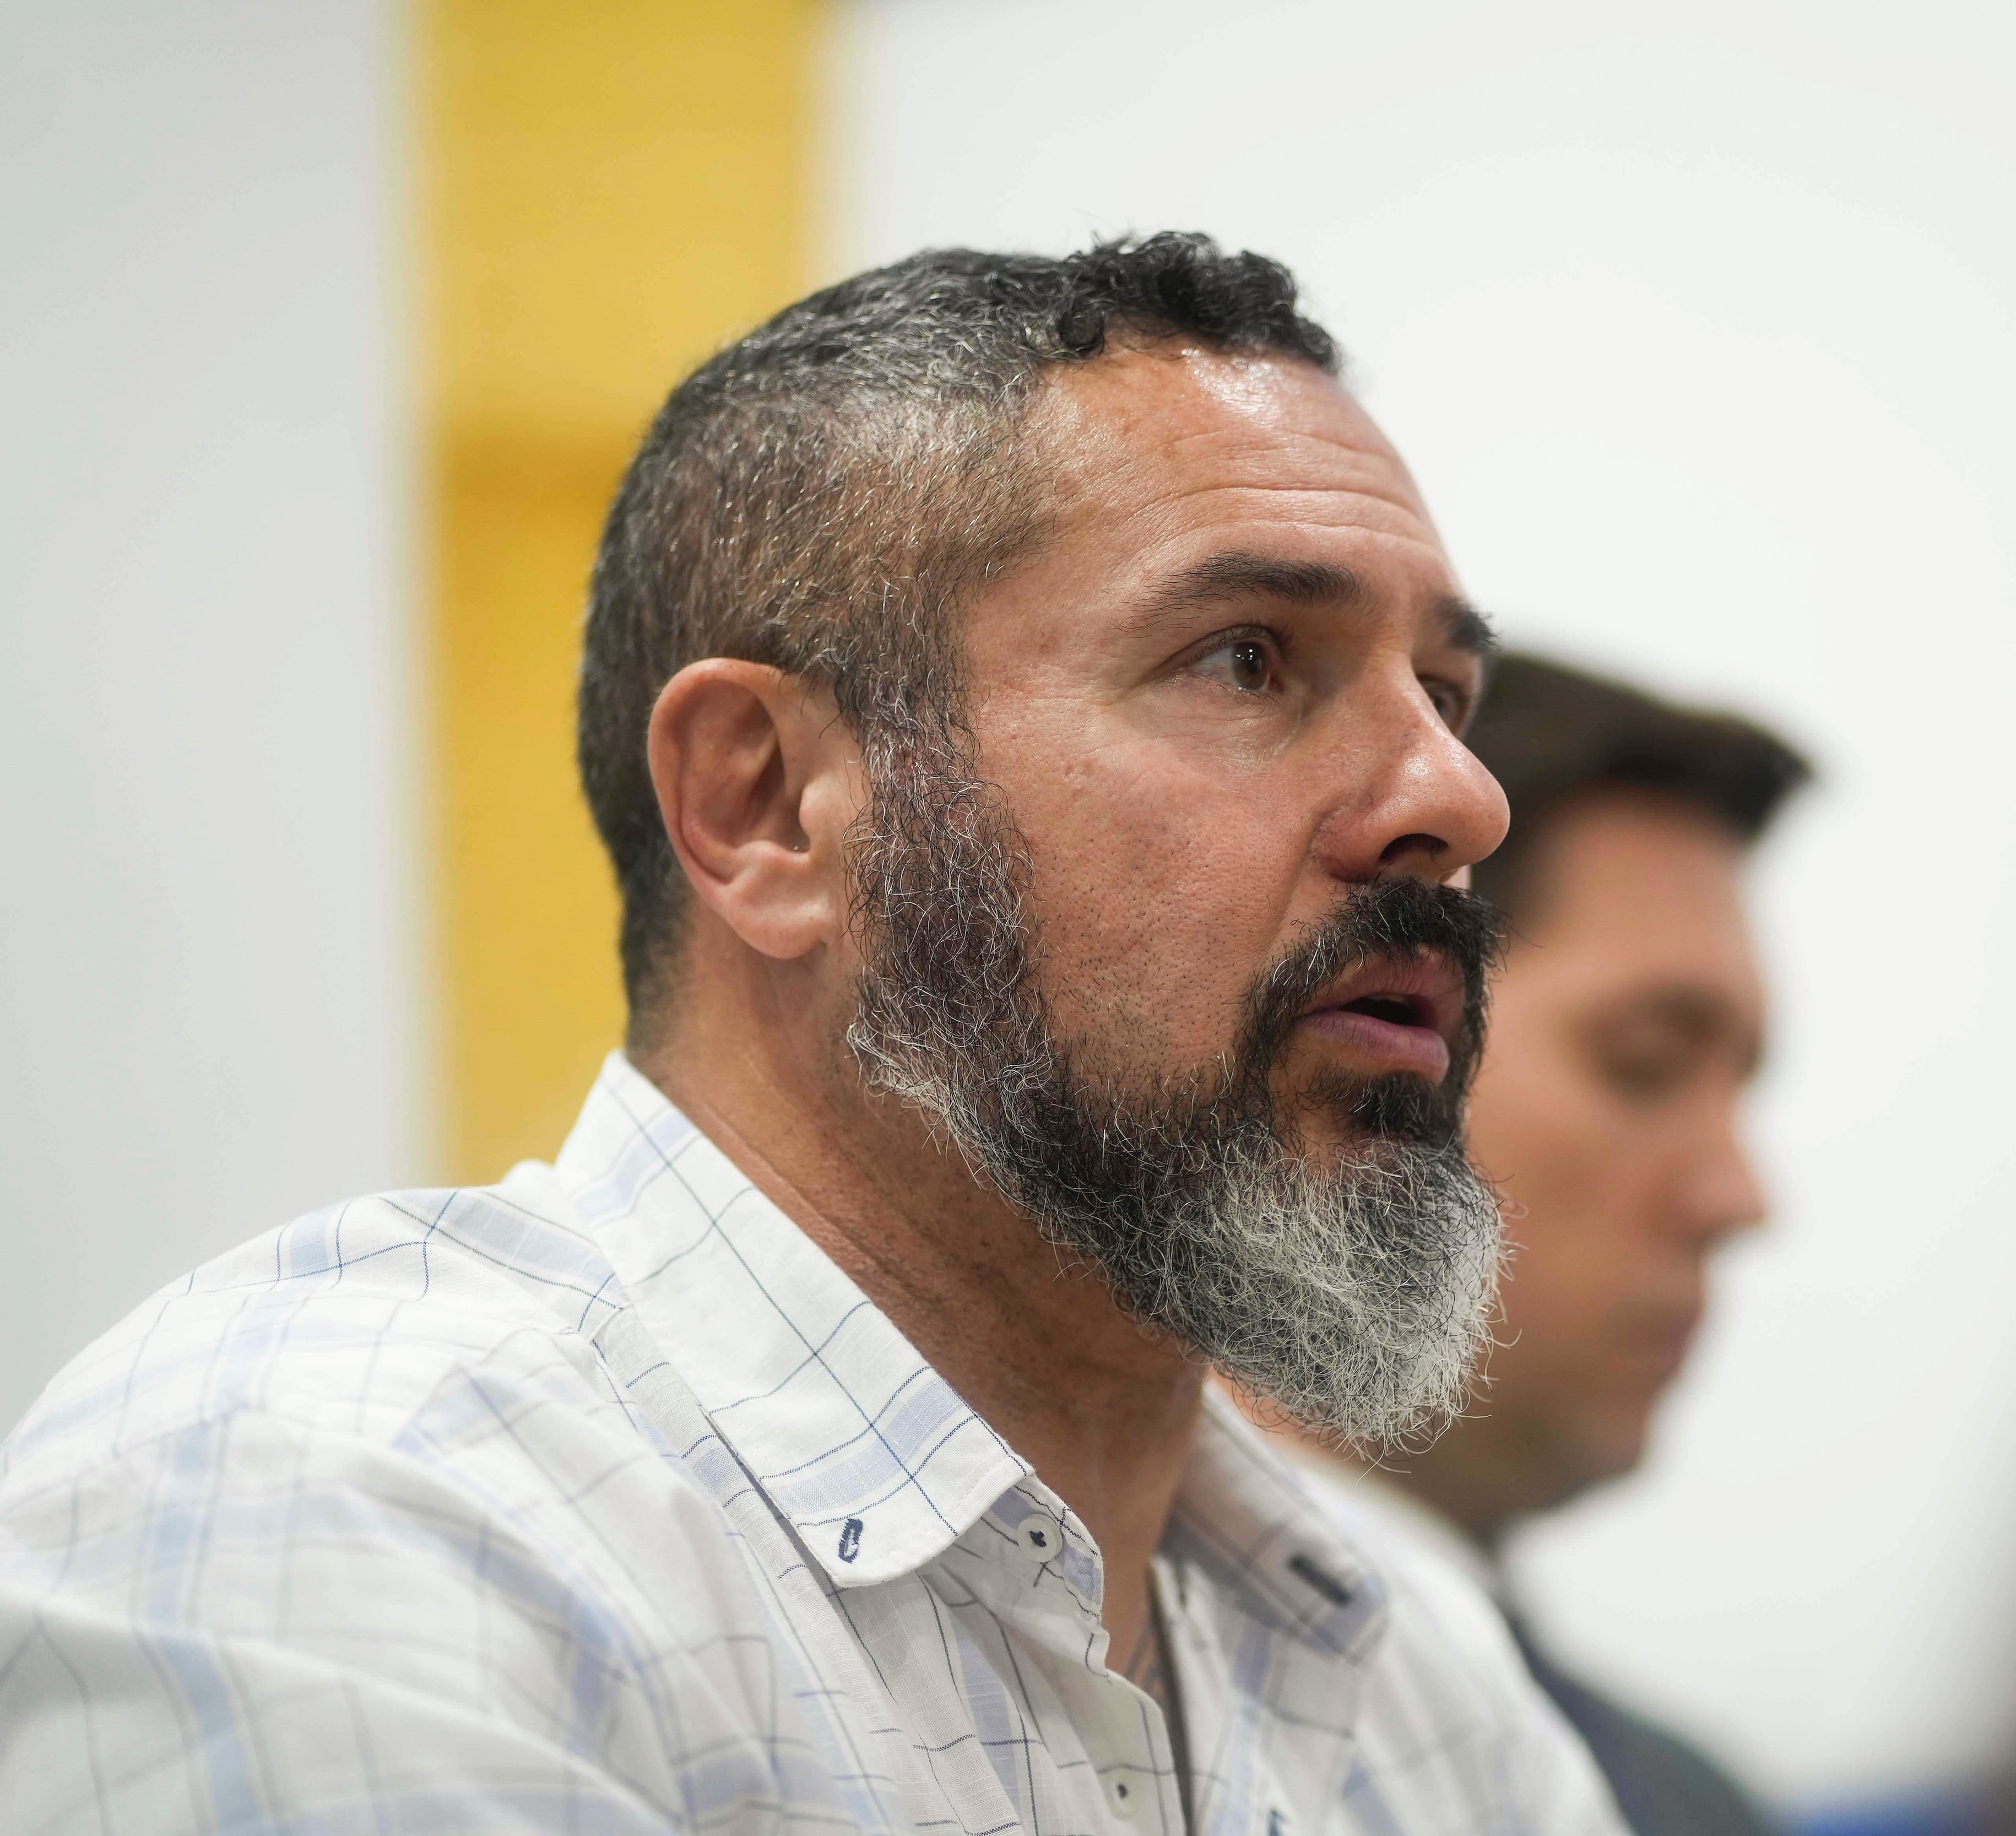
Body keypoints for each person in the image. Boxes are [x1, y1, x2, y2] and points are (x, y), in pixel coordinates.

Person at [0, 236, 1627, 1835]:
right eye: (1250, 659)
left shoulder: (1418, 1671)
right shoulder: (340, 1513)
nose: (1461, 799)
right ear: (767, 805)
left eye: (1446, 694)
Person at [1270, 654, 1811, 1836]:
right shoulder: (1003, 1710)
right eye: (1646, 1064)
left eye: (1741, 1088)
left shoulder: (1678, 1804)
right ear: (1375, 1032)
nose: (1737, 1194)